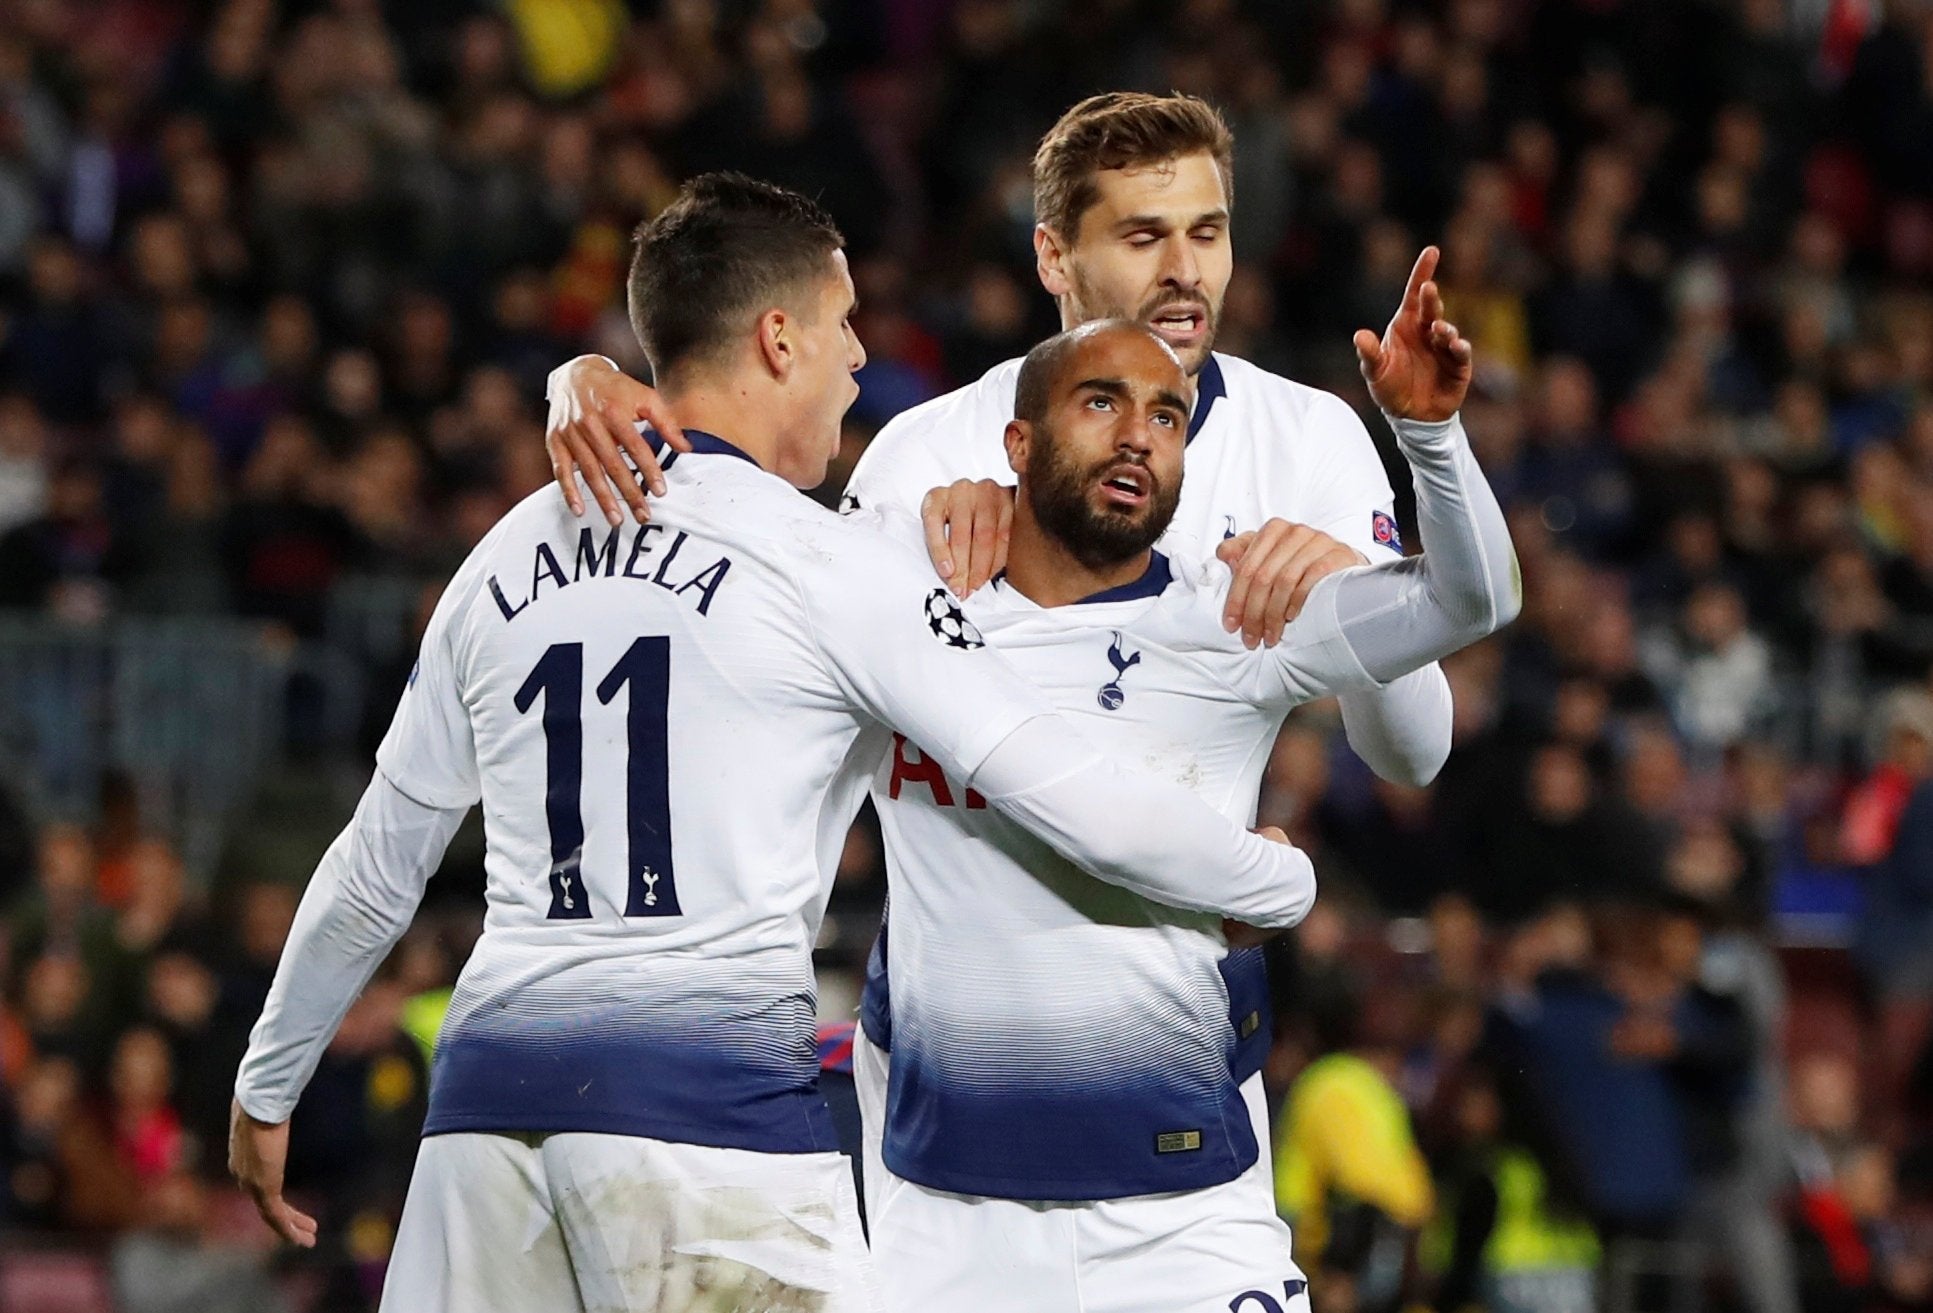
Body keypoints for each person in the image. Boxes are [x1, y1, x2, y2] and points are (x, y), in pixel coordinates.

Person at [228, 173, 1322, 1313]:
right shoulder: (828, 567)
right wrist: (1275, 874)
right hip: (708, 1131)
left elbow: (374, 867)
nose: (858, 362)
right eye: (844, 328)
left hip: (483, 1122)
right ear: (778, 336)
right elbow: (1079, 795)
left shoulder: (501, 554)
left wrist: (268, 1086)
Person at [542, 87, 1456, 1190]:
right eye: (1141, 235)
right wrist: (585, 380)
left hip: (1180, 1060)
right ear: (1052, 257)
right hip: (946, 1082)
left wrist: (1359, 598)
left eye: (1206, 233)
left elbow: (1413, 751)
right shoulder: (929, 451)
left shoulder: (1305, 437)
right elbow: (813, 743)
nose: (1185, 270)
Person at [856, 268, 1513, 1312]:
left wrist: (1429, 439)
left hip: (1183, 1220)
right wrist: (591, 383)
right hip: (945, 1224)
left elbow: (1471, 599)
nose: (1137, 433)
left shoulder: (1238, 617)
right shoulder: (896, 613)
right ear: (1016, 447)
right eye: (1101, 401)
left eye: (1166, 414)